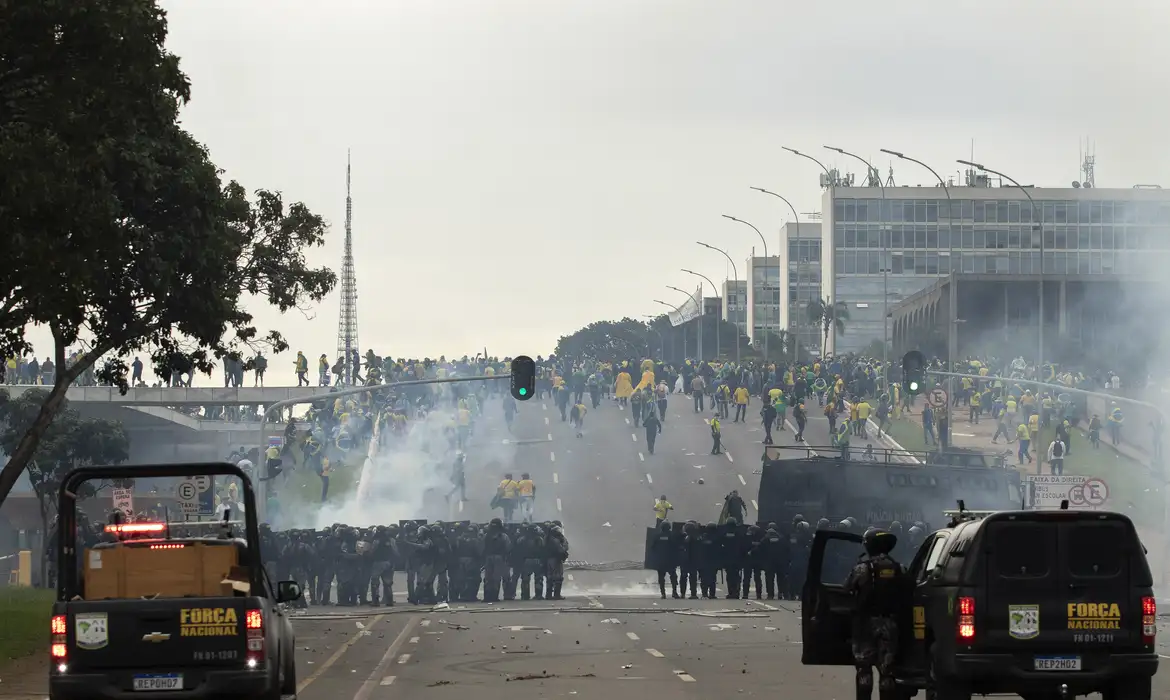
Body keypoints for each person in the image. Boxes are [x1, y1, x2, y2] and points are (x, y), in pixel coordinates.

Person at [843, 527, 905, 700]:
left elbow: (846, 588)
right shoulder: (900, 568)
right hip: (890, 624)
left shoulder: (862, 569)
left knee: (864, 669)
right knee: (887, 670)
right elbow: (909, 591)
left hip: (865, 625)